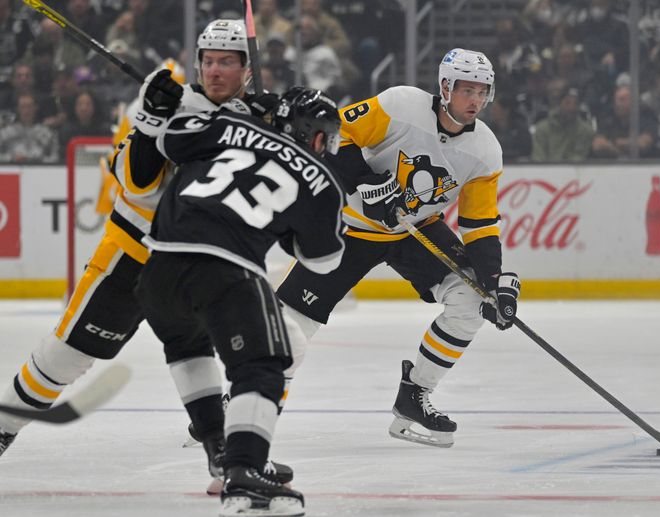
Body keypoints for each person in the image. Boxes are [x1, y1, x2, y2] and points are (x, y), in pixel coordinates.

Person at [0, 18, 290, 491]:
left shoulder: (252, 117)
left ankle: (220, 450)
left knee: (192, 346)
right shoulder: (169, 101)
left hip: (198, 257)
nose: (215, 71)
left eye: (227, 62)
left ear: (247, 69)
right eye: (209, 61)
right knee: (65, 357)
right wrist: (152, 120)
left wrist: (275, 127)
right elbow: (134, 185)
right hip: (131, 253)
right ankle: (3, 427)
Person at [276, 48, 521, 448]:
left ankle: (414, 395)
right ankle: (242, 403)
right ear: (445, 88)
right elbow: (336, 135)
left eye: (482, 91)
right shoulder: (400, 104)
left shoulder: (485, 151)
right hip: (351, 227)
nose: (475, 100)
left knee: (470, 301)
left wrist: (493, 284)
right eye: (466, 90)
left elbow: (479, 224)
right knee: (291, 325)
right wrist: (364, 184)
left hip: (416, 230)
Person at [135, 86, 344, 517]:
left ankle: (219, 449)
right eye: (328, 137)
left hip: (158, 265)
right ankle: (245, 474)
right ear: (315, 136)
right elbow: (323, 261)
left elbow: (171, 140)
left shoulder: (231, 126)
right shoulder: (320, 178)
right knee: (264, 367)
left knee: (187, 345)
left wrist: (241, 114)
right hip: (224, 268)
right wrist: (290, 228)